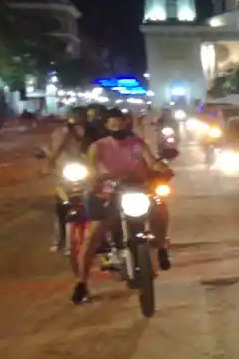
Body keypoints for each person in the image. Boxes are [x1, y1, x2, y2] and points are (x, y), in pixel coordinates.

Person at [72, 108, 171, 304]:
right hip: (108, 194)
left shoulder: (137, 143)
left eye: (120, 122)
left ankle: (161, 247)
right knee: (94, 234)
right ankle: (81, 283)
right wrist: (97, 180)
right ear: (107, 126)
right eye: (113, 123)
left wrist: (163, 169)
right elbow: (92, 171)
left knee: (160, 210)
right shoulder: (98, 147)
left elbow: (152, 162)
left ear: (127, 123)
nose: (117, 126)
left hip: (137, 191)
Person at [46, 108, 90, 253]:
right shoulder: (60, 133)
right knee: (61, 205)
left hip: (84, 169)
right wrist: (49, 164)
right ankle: (59, 239)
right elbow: (54, 151)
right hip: (64, 170)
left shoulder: (90, 132)